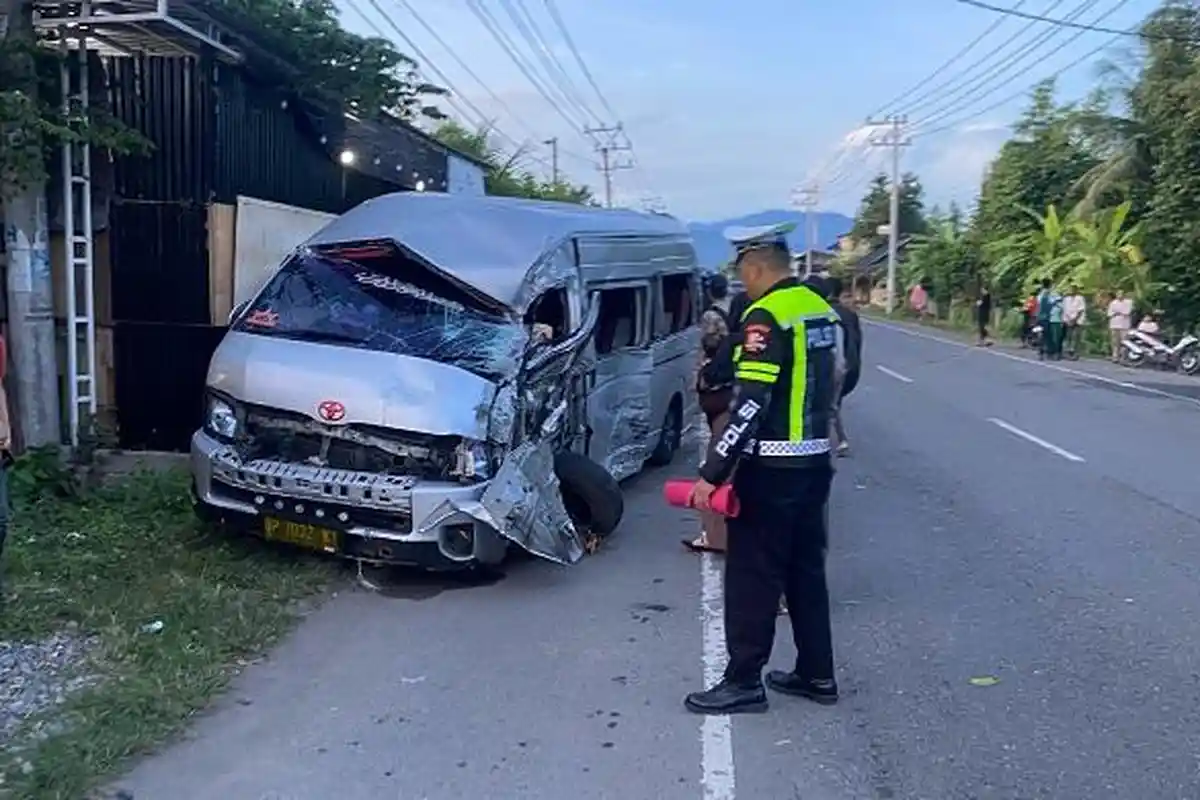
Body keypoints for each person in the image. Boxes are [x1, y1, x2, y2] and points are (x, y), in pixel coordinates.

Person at [684, 223, 842, 715]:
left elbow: (751, 403)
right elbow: (843, 376)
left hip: (773, 466)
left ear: (754, 267)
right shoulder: (821, 310)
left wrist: (712, 473)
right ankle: (817, 674)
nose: (743, 283)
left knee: (752, 575)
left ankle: (743, 681)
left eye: (742, 273)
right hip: (815, 458)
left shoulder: (765, 317)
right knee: (805, 570)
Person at [825, 276, 860, 456]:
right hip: (853, 367)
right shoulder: (851, 314)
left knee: (829, 403)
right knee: (834, 402)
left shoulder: (822, 312)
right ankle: (840, 439)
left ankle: (838, 440)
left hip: (836, 365)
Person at [1107, 290, 1133, 361]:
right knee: (1115, 341)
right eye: (1118, 294)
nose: (1120, 295)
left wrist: (1117, 312)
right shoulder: (1113, 303)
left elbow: (1127, 312)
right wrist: (1118, 313)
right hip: (1114, 324)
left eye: (1121, 294)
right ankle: (1115, 356)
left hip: (1124, 325)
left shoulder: (1129, 302)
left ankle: (1123, 357)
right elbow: (1109, 313)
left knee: (1124, 341)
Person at [1062, 285, 1086, 359]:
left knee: (1076, 337)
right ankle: (1067, 351)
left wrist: (1074, 319)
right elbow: (1065, 309)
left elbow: (1081, 310)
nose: (1071, 291)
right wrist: (1068, 320)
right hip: (1068, 319)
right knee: (1068, 336)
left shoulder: (1080, 298)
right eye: (1070, 290)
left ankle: (1076, 353)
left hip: (1077, 320)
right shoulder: (1066, 299)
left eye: (1072, 290)